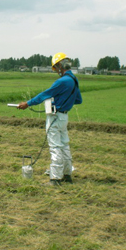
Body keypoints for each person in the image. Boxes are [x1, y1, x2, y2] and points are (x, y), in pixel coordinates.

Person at [17, 52, 82, 186]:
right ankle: (67, 175)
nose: (56, 70)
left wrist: (27, 103)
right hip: (64, 117)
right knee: (64, 145)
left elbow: (44, 95)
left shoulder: (62, 81)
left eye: (56, 67)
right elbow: (78, 100)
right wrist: (65, 101)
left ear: (61, 65)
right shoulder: (74, 80)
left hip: (55, 117)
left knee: (55, 147)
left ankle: (55, 179)